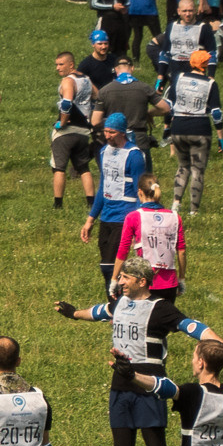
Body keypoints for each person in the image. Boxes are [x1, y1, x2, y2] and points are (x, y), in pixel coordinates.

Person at [57, 260, 217, 446]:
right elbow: (99, 312)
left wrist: (221, 343)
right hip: (120, 387)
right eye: (120, 277)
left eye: (125, 278)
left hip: (149, 388)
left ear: (142, 281)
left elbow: (192, 326)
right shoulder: (120, 303)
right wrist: (73, 313)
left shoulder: (161, 308)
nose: (119, 282)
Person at [82, 114, 150, 297]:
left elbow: (139, 192)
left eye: (111, 132)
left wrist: (137, 226)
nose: (107, 135)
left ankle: (118, 304)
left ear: (121, 132)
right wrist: (90, 220)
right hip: (106, 217)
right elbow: (103, 187)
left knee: (110, 265)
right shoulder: (104, 151)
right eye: (105, 131)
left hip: (124, 217)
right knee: (106, 265)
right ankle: (117, 303)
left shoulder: (134, 155)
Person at [154, 48, 220, 215]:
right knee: (197, 170)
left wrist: (167, 127)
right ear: (205, 65)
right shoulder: (211, 84)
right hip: (200, 129)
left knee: (183, 166)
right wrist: (220, 136)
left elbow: (168, 105)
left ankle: (176, 203)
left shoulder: (179, 78)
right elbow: (217, 113)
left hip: (179, 128)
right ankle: (194, 210)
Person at [112, 174, 186, 296]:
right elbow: (181, 251)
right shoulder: (175, 217)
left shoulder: (133, 217)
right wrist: (181, 278)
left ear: (140, 192)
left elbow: (123, 250)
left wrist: (115, 279)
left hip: (144, 283)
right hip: (169, 284)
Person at [49, 47, 98, 215]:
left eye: (61, 64)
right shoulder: (86, 79)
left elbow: (67, 104)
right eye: (56, 65)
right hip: (83, 131)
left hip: (67, 131)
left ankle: (58, 205)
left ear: (71, 64)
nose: (58, 68)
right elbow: (98, 96)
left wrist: (61, 123)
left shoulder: (68, 81)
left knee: (59, 168)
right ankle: (91, 202)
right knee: (83, 168)